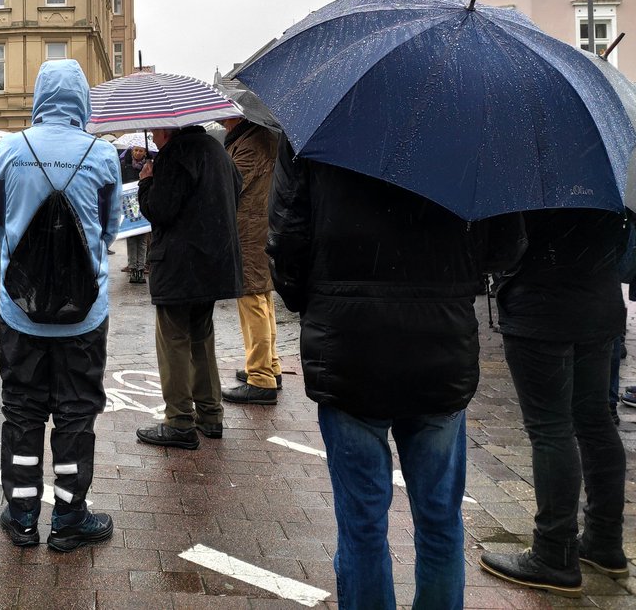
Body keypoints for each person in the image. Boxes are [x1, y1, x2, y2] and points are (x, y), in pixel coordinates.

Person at [268, 142, 525, 608]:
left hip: (350, 348)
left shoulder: (319, 132)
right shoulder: (474, 134)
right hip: (440, 349)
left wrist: (319, 303)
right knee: (440, 520)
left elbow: (287, 242)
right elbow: (506, 246)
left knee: (363, 524)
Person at [0, 59, 122, 552]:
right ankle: (69, 519)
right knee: (75, 414)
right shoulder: (103, 154)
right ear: (82, 99)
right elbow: (109, 230)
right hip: (84, 315)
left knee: (22, 409)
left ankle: (22, 515)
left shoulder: (8, 149)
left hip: (18, 310)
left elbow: (2, 225)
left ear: (40, 96)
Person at [479, 209, 629, 594]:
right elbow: (622, 237)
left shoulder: (526, 167)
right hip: (599, 298)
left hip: (542, 305)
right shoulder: (607, 165)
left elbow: (499, 246)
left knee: (551, 429)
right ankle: (605, 541)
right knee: (596, 420)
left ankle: (554, 552)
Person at [135, 125, 242, 450]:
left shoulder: (175, 155)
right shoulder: (217, 151)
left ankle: (180, 420)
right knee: (201, 336)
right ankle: (210, 414)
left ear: (168, 130)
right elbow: (238, 189)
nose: (152, 136)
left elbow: (160, 210)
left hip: (180, 265)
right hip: (213, 262)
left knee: (174, 340)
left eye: (155, 131)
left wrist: (146, 182)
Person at [219, 116, 282, 405]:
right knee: (261, 296)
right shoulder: (257, 137)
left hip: (248, 231)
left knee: (252, 297)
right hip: (256, 227)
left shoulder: (251, 143)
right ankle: (270, 365)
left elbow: (230, 186)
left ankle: (260, 378)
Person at [119, 144, 151, 285]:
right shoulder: (124, 165)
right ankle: (133, 268)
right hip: (128, 203)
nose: (138, 153)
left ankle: (141, 267)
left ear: (145, 152)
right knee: (131, 237)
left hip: (143, 200)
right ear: (132, 151)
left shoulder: (149, 166)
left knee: (143, 238)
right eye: (136, 150)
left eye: (141, 150)